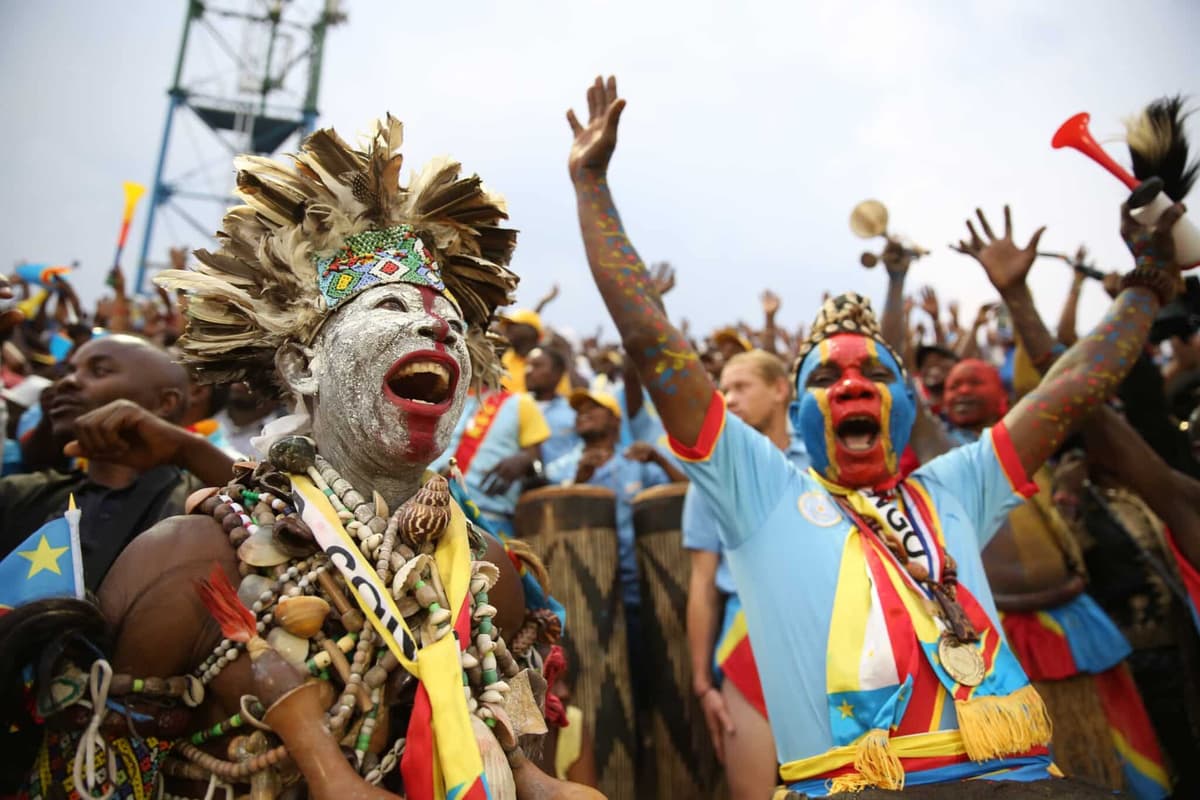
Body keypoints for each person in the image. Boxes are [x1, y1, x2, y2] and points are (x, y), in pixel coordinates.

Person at [566, 74, 1185, 794]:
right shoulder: (761, 490)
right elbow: (651, 341)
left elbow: (1073, 388)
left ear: (906, 403)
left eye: (875, 375)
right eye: (825, 380)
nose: (853, 386)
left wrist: (1148, 279)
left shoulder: (959, 482)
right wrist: (592, 187)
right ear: (793, 419)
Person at [2, 115, 597, 800]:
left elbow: (523, 775)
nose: (438, 326)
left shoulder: (492, 575)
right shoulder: (191, 561)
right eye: (391, 304)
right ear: (302, 364)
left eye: (455, 326)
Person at [0, 334, 235, 590]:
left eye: (98, 371)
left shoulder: (200, 504)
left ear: (165, 403)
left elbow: (274, 515)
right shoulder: (21, 493)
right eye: (69, 370)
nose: (67, 382)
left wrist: (186, 450)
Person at [684, 349, 806, 800]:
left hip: (827, 635)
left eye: (741, 387)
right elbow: (702, 582)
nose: (728, 398)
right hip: (745, 642)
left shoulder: (820, 461)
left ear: (780, 390)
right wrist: (703, 684)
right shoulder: (712, 476)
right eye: (724, 389)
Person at [430, 382, 551, 538]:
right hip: (430, 510)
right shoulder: (439, 399)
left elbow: (537, 462)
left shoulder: (520, 403)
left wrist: (525, 459)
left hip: (489, 518)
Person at [526, 346, 581, 466]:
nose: (528, 371)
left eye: (537, 365)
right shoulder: (511, 407)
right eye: (527, 365)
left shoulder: (573, 413)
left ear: (557, 373)